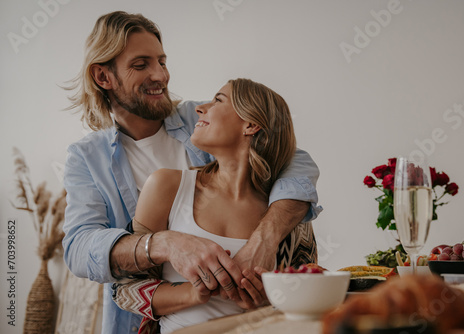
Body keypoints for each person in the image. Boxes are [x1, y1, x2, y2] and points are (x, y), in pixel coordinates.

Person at [62, 11, 321, 334]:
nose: (161, 75)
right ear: (104, 77)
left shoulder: (201, 121)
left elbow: (293, 159)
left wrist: (264, 242)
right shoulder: (87, 158)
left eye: (162, 61)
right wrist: (166, 244)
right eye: (141, 65)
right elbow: (79, 248)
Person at [112, 78, 318, 333]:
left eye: (218, 100)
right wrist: (195, 293)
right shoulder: (167, 186)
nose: (200, 108)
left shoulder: (285, 211)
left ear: (251, 124)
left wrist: (272, 299)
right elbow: (124, 289)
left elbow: (310, 289)